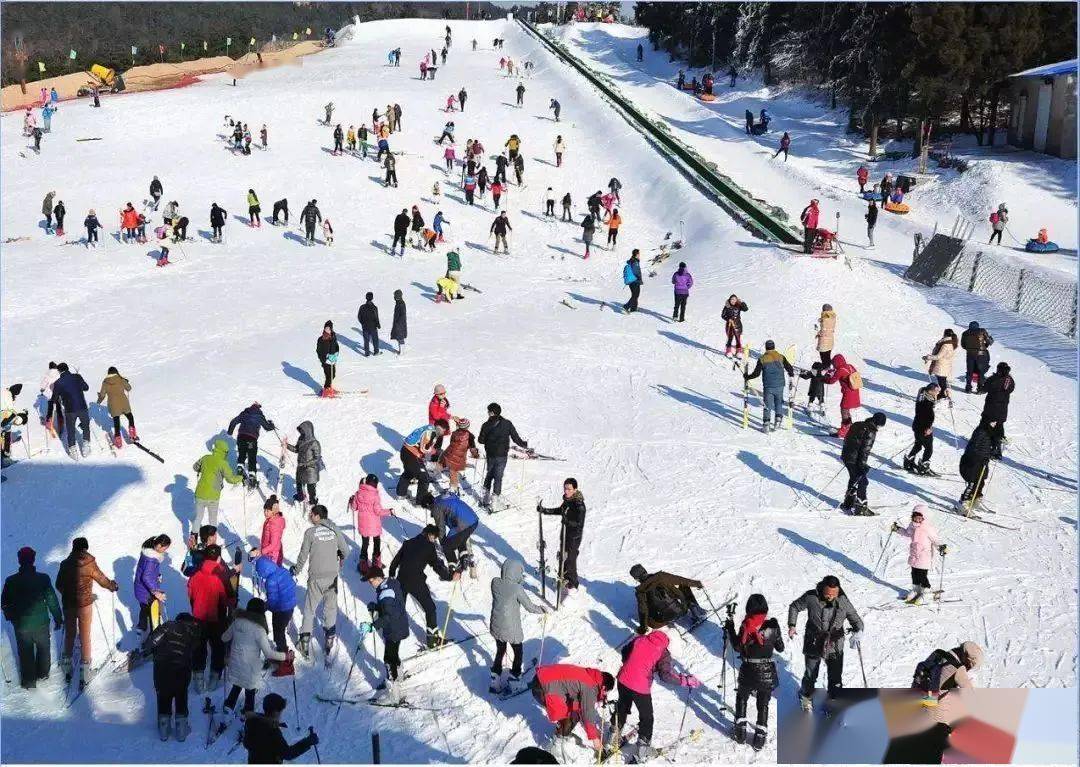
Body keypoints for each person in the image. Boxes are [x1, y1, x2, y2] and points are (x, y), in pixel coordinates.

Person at [614, 623, 698, 761]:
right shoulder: (663, 652)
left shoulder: (639, 639)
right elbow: (666, 676)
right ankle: (643, 749)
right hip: (640, 686)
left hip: (623, 679)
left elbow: (624, 651)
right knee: (646, 717)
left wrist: (631, 665)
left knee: (622, 707)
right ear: (667, 641)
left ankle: (613, 735)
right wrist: (684, 680)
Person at [788, 575, 863, 710]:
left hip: (835, 644)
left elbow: (856, 620)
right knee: (811, 674)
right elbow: (794, 606)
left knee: (835, 678)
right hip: (814, 641)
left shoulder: (843, 601)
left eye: (834, 594)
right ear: (822, 588)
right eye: (828, 594)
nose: (831, 597)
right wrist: (792, 625)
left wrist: (858, 632)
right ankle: (806, 697)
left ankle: (833, 703)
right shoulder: (811, 597)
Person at [54, 538, 119, 685]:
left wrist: (67, 594)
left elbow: (59, 584)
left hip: (69, 605)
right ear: (85, 548)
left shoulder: (65, 564)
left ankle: (66, 665)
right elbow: (102, 580)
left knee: (70, 633)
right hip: (84, 605)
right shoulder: (89, 563)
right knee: (85, 635)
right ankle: (85, 670)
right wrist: (112, 586)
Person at [724, 594, 784, 750]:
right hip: (767, 671)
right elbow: (780, 648)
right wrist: (776, 632)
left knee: (742, 697)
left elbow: (737, 647)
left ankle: (740, 732)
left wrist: (730, 626)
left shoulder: (746, 625)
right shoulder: (773, 625)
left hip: (748, 669)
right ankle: (759, 738)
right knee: (763, 703)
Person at [388, 524, 460, 648]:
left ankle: (393, 637)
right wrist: (449, 577)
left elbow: (395, 562)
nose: (434, 540)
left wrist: (391, 575)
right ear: (430, 535)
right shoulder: (429, 547)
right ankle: (432, 640)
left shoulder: (408, 543)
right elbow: (437, 566)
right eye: (434, 538)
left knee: (399, 609)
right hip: (416, 582)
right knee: (430, 608)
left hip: (401, 580)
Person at [2, 546, 63, 690]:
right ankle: (43, 674)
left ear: (19, 561)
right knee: (43, 649)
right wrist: (58, 618)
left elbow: (4, 602)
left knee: (25, 652)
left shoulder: (11, 581)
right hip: (41, 623)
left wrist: (12, 618)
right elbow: (52, 599)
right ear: (33, 560)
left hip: (22, 625)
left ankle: (29, 682)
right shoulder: (43, 578)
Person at [291, 505, 347, 658]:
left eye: (311, 514)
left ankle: (304, 643)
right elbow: (346, 551)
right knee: (330, 608)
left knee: (309, 609)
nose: (309, 516)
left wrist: (296, 570)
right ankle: (329, 639)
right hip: (332, 577)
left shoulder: (310, 532)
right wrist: (338, 555)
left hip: (316, 577)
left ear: (317, 516)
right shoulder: (335, 530)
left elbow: (303, 555)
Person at [221, 598, 287, 715]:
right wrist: (285, 656)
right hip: (250, 670)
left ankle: (228, 708)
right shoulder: (259, 629)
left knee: (237, 686)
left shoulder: (237, 622)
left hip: (235, 665)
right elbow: (269, 654)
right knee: (250, 692)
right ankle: (248, 715)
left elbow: (224, 638)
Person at [488, 558, 545, 695]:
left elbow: (506, 589)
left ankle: (494, 680)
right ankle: (515, 677)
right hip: (511, 629)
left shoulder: (495, 583)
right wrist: (542, 610)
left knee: (500, 650)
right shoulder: (517, 589)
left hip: (496, 626)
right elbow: (530, 607)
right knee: (518, 652)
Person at [533, 664, 614, 758]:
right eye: (606, 691)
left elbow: (579, 702)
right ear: (603, 687)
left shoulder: (590, 676)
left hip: (541, 679)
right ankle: (554, 748)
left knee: (574, 712)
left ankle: (562, 733)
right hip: (543, 688)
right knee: (569, 717)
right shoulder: (590, 687)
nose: (605, 694)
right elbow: (588, 712)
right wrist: (595, 739)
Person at [143, 611, 200, 741]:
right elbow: (195, 650)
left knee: (163, 696)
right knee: (181, 696)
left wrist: (155, 652)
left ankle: (164, 729)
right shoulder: (193, 632)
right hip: (182, 672)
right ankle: (181, 730)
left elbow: (149, 644)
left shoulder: (167, 626)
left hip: (161, 671)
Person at [360, 567, 410, 703]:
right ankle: (398, 677)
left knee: (388, 658)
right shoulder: (390, 584)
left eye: (371, 582)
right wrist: (376, 607)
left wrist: (372, 626)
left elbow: (388, 615)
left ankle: (394, 694)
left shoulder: (385, 592)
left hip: (393, 629)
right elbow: (392, 606)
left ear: (377, 579)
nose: (371, 585)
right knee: (393, 654)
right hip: (400, 625)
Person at [187, 544, 230, 692]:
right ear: (218, 558)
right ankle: (214, 675)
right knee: (217, 646)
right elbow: (225, 599)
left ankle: (198, 677)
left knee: (199, 646)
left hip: (198, 616)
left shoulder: (195, 575)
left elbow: (191, 594)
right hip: (216, 617)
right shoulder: (219, 576)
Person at [539, 479, 586, 596]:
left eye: (569, 489)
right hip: (565, 534)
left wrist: (568, 521)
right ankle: (563, 579)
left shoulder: (579, 504)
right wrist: (545, 510)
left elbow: (579, 524)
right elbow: (561, 510)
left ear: (575, 489)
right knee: (563, 559)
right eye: (565, 488)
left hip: (574, 537)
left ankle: (573, 584)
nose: (566, 491)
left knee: (570, 560)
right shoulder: (568, 500)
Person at [478, 403, 529, 510]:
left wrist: (489, 437)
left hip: (490, 454)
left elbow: (481, 440)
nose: (487, 413)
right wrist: (524, 444)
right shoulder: (507, 423)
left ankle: (485, 498)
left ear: (492, 413)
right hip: (501, 455)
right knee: (498, 477)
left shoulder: (486, 425)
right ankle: (495, 503)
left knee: (489, 474)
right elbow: (515, 438)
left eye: (488, 411)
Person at [243, 693, 319, 763]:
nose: (281, 714)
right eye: (281, 711)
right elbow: (288, 754)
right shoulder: (272, 731)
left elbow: (247, 744)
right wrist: (308, 742)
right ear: (275, 712)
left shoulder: (252, 722)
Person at [630, 565, 704, 633]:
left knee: (646, 611)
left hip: (664, 619)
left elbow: (643, 611)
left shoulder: (640, 592)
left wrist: (643, 628)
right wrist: (697, 584)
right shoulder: (661, 576)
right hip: (682, 608)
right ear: (645, 571)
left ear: (636, 579)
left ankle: (666, 616)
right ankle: (696, 611)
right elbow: (680, 580)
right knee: (684, 586)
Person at [892, 506, 943, 604]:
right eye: (915, 517)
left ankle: (927, 591)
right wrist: (897, 529)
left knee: (922, 575)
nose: (917, 519)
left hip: (924, 555)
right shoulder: (912, 526)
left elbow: (935, 539)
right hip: (914, 554)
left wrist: (941, 546)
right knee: (914, 573)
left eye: (920, 518)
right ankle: (916, 589)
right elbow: (907, 533)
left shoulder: (927, 528)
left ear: (924, 518)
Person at [840, 412, 886, 515]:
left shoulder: (857, 424)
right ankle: (861, 507)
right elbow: (865, 450)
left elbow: (847, 439)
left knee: (854, 478)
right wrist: (862, 465)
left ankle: (848, 502)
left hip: (847, 456)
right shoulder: (871, 431)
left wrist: (847, 455)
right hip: (854, 459)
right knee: (863, 481)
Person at [745, 340, 795, 432]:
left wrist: (747, 377)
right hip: (780, 385)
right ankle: (778, 421)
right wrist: (791, 374)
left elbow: (756, 374)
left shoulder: (762, 359)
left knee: (767, 405)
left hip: (768, 386)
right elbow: (790, 368)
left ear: (766, 348)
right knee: (778, 403)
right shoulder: (781, 357)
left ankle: (766, 425)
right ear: (774, 347)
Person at [252, 553, 296, 657]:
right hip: (290, 606)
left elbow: (272, 601)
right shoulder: (283, 571)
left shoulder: (270, 581)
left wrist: (265, 607)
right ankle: (282, 651)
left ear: (264, 571)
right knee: (281, 630)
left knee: (278, 633)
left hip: (281, 610)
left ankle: (283, 656)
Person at [397, 420, 449, 505]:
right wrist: (435, 452)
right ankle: (420, 502)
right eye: (444, 431)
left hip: (407, 451)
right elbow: (424, 448)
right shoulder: (430, 432)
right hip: (411, 454)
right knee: (424, 478)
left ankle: (401, 494)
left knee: (409, 472)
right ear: (439, 428)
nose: (443, 433)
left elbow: (425, 444)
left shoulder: (430, 428)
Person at [192, 439, 242, 529]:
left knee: (198, 518)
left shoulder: (205, 458)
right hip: (213, 496)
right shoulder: (223, 464)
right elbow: (231, 479)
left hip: (199, 494)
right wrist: (240, 477)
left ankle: (193, 540)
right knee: (213, 520)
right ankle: (211, 541)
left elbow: (195, 467)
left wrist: (203, 468)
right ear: (224, 451)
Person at [350, 473, 393, 576]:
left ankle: (363, 565)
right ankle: (376, 563)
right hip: (374, 525)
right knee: (377, 542)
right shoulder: (375, 495)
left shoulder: (358, 493)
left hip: (363, 524)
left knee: (365, 544)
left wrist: (351, 501)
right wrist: (389, 512)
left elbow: (354, 508)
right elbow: (378, 511)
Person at [912, 642, 984, 701]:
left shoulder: (938, 653)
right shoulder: (959, 669)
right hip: (929, 701)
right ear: (968, 660)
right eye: (971, 665)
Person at [50, 362, 91, 459]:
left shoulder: (58, 382)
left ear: (59, 371)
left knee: (71, 429)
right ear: (68, 368)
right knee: (85, 426)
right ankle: (86, 446)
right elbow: (86, 388)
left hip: (69, 409)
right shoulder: (77, 377)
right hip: (82, 406)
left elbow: (54, 399)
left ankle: (73, 451)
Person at [228, 402, 275, 484]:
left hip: (241, 437)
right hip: (251, 439)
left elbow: (233, 421)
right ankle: (252, 476)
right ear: (258, 408)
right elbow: (267, 427)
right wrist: (271, 424)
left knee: (242, 453)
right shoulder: (260, 416)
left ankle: (240, 467)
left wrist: (230, 433)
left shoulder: (245, 413)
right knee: (251, 456)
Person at [134, 534, 170, 634]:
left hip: (141, 589)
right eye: (165, 548)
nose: (165, 551)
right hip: (146, 592)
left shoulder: (148, 553)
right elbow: (146, 577)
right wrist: (156, 592)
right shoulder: (151, 559)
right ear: (159, 546)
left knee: (144, 608)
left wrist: (157, 575)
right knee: (153, 612)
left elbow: (147, 572)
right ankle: (154, 635)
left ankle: (141, 627)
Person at [905, 383, 940, 476]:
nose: (937, 393)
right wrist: (928, 428)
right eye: (936, 391)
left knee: (918, 445)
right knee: (929, 449)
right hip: (923, 428)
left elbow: (925, 390)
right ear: (931, 391)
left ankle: (908, 461)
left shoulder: (922, 394)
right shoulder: (926, 403)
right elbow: (926, 417)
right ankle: (924, 467)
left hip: (917, 427)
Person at [959, 419, 995, 510]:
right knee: (973, 482)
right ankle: (963, 503)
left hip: (981, 461)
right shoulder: (981, 431)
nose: (995, 424)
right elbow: (974, 447)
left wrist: (992, 453)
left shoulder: (990, 432)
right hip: (972, 461)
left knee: (981, 481)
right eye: (993, 422)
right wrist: (981, 457)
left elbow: (986, 447)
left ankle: (975, 499)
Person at [980, 361, 1014, 458]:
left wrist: (984, 381)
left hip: (991, 407)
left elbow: (984, 388)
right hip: (1003, 408)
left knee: (986, 425)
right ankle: (997, 449)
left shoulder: (994, 379)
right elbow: (1010, 389)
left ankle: (987, 445)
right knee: (999, 426)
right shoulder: (1010, 380)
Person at [823, 354, 861, 438]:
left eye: (834, 363)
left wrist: (824, 378)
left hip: (848, 393)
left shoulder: (840, 370)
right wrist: (834, 372)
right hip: (855, 391)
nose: (834, 365)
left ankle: (843, 431)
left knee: (844, 410)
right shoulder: (850, 366)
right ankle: (849, 428)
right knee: (846, 410)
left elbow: (831, 381)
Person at [96, 366, 135, 448]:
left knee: (116, 423)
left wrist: (98, 402)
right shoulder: (121, 379)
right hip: (124, 403)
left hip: (113, 405)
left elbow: (102, 395)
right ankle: (132, 435)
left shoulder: (105, 382)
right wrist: (126, 382)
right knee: (130, 417)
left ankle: (118, 442)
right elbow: (129, 388)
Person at [284, 421, 321, 505]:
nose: (301, 432)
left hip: (310, 468)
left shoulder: (314, 443)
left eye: (303, 430)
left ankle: (313, 501)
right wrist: (287, 445)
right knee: (299, 483)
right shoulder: (300, 439)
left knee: (310, 486)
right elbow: (296, 449)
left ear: (308, 430)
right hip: (300, 466)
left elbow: (317, 458)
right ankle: (300, 497)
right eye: (301, 430)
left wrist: (307, 464)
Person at [440, 418, 479, 496]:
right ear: (468, 426)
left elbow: (452, 443)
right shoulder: (470, 436)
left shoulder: (454, 433)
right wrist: (475, 454)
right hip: (459, 457)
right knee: (454, 472)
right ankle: (453, 489)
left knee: (452, 472)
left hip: (450, 454)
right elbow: (472, 448)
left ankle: (453, 487)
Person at [959, 321, 993, 393]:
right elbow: (989, 342)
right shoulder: (982, 331)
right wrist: (990, 340)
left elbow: (963, 345)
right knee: (981, 372)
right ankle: (980, 389)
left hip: (970, 355)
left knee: (969, 372)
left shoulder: (965, 333)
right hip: (981, 355)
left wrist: (970, 349)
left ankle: (968, 388)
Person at [923, 329, 958, 397]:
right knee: (943, 382)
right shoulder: (951, 343)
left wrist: (928, 357)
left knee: (942, 383)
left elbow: (938, 356)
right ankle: (943, 395)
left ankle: (943, 396)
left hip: (941, 366)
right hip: (946, 365)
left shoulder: (945, 345)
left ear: (945, 334)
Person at [316, 320, 339, 398]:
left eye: (329, 329)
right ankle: (326, 389)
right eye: (326, 329)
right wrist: (325, 359)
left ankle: (329, 387)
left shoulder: (333, 337)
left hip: (332, 360)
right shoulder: (321, 340)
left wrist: (336, 354)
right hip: (325, 361)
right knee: (329, 375)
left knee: (333, 374)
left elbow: (336, 346)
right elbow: (318, 351)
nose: (327, 334)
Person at [260, 496, 285, 566]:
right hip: (268, 553)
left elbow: (273, 544)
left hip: (273, 556)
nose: (265, 512)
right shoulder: (269, 520)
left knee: (272, 574)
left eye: (267, 511)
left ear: (274, 511)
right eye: (264, 510)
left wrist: (262, 551)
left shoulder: (274, 524)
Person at [355, 292, 381, 356]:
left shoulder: (362, 307)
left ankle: (367, 353)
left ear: (366, 298)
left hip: (365, 326)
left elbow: (359, 317)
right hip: (373, 327)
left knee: (366, 340)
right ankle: (376, 352)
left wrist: (362, 323)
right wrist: (378, 324)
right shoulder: (374, 307)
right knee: (375, 339)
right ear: (372, 298)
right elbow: (376, 317)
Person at [391, 289, 407, 353]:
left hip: (400, 324)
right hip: (398, 323)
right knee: (399, 337)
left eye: (395, 295)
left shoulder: (401, 303)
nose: (394, 297)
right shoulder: (399, 302)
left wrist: (398, 323)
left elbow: (402, 315)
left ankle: (402, 352)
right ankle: (401, 350)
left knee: (400, 337)